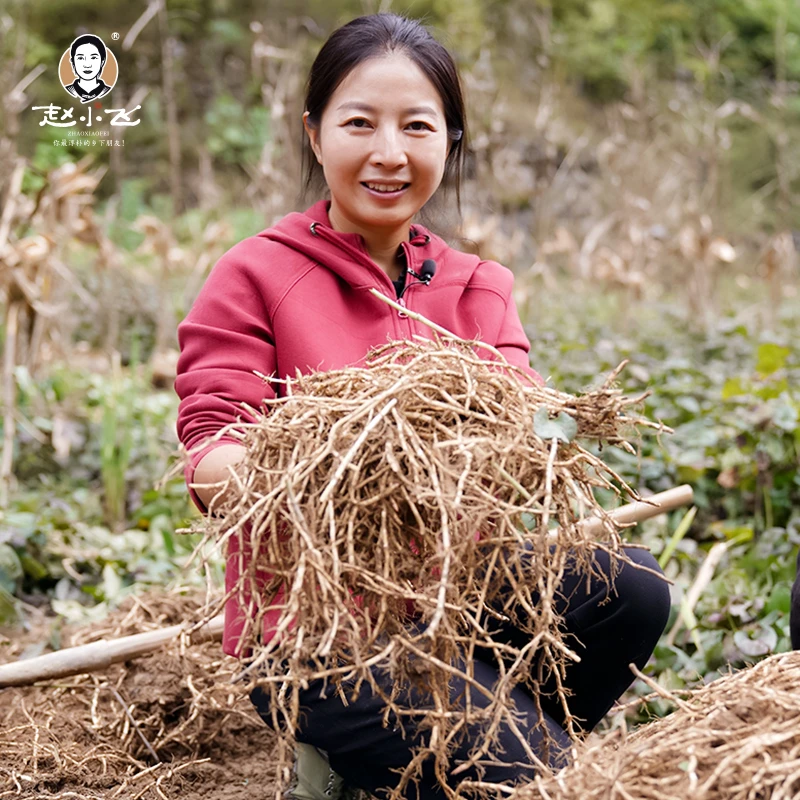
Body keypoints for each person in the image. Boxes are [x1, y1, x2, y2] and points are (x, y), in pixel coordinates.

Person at [175, 13, 671, 799]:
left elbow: (530, 414)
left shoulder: (477, 285)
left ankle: (456, 760)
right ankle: (482, 760)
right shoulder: (257, 274)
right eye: (359, 124)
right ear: (314, 134)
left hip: (455, 593)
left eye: (416, 126)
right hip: (321, 631)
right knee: (534, 771)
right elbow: (210, 450)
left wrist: (560, 428)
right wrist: (334, 472)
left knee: (629, 590)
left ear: (451, 141)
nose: (388, 153)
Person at [64, 34, 112, 103]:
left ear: (102, 62)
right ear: (73, 62)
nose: (87, 65)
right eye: (80, 58)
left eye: (93, 58)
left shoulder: (107, 92)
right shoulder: (69, 91)